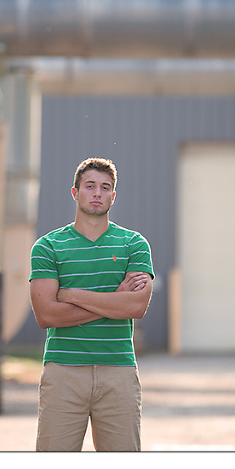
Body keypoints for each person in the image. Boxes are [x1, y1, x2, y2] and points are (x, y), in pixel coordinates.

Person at [29, 157, 154, 451]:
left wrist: (71, 295)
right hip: (63, 372)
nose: (97, 193)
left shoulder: (134, 244)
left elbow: (135, 308)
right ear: (75, 192)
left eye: (105, 187)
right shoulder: (48, 247)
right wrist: (114, 299)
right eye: (90, 186)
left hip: (118, 371)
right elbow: (46, 315)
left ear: (113, 196)